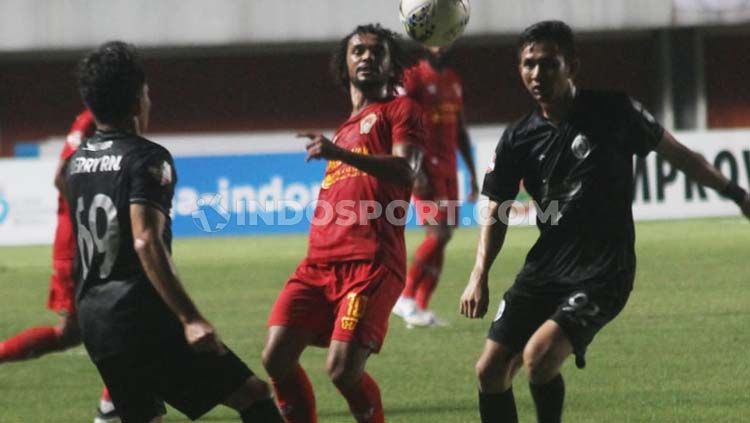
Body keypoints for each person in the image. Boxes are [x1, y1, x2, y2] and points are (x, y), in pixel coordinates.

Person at [458, 20, 750, 423]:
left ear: (572, 66)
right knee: (489, 371)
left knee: (539, 357)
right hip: (545, 269)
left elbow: (681, 157)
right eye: (528, 65)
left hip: (602, 271)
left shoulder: (614, 112)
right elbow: (496, 206)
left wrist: (737, 195)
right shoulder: (518, 138)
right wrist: (479, 273)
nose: (537, 75)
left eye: (548, 64)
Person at [66, 41, 282, 423]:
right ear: (136, 102)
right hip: (141, 319)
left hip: (96, 321)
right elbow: (145, 239)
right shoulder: (147, 158)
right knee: (254, 396)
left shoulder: (77, 163)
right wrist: (190, 318)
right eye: (146, 94)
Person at [262, 24, 425, 423]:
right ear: (344, 64)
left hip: (370, 264)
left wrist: (340, 153)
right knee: (276, 358)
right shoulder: (347, 127)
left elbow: (406, 169)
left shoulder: (401, 110)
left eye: (376, 51)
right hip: (318, 264)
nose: (367, 56)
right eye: (358, 51)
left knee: (342, 370)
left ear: (392, 65)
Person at [0, 109, 122, 423]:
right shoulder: (89, 120)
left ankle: (114, 407)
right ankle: (110, 411)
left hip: (84, 242)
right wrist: (89, 213)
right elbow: (61, 175)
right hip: (79, 244)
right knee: (124, 321)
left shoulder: (103, 120)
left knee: (73, 333)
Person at [392, 45, 479, 327]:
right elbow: (400, 120)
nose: (440, 47)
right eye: (434, 41)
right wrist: (413, 170)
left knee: (445, 236)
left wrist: (473, 173)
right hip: (425, 167)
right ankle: (404, 297)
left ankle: (420, 308)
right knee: (439, 234)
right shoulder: (414, 78)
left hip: (449, 168)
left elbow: (461, 129)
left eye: (446, 41)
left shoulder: (453, 79)